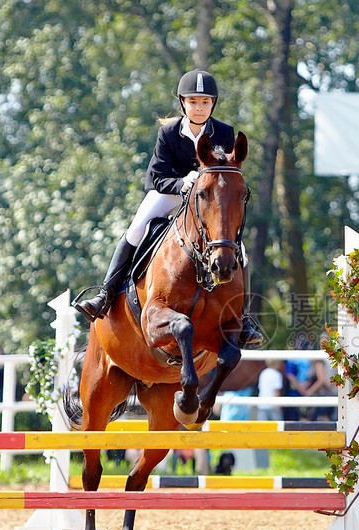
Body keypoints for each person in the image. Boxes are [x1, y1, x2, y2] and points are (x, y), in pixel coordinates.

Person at [73, 69, 261, 348]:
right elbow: (155, 177)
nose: (199, 108)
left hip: (206, 198)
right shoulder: (169, 133)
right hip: (173, 192)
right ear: (183, 103)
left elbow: (226, 171)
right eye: (193, 102)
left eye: (205, 102)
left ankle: (243, 318)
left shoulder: (224, 131)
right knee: (137, 229)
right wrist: (183, 183)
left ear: (213, 104)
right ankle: (105, 293)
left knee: (239, 250)